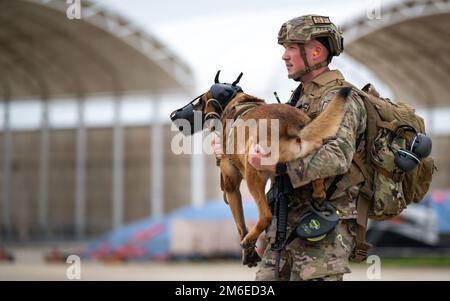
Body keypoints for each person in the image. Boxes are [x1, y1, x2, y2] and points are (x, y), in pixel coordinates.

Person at [212, 14, 368, 281]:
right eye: (284, 49)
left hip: (322, 229)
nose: (284, 56)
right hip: (284, 224)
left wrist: (278, 165)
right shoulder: (297, 100)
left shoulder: (340, 98)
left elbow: (338, 158)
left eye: (291, 48)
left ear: (316, 52)